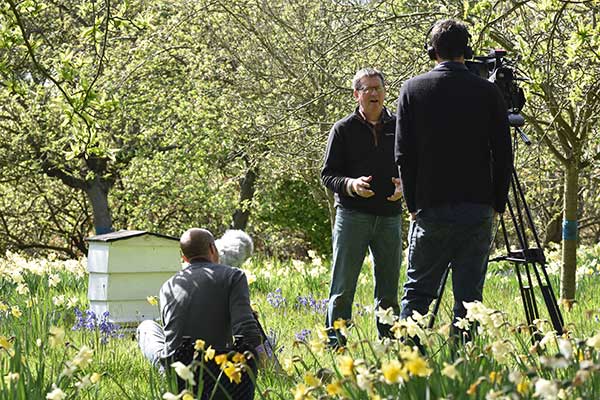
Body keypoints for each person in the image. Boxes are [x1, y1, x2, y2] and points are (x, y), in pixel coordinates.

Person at [395, 19, 512, 342]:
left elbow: (404, 154)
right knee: (469, 301)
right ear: (468, 50)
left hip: (431, 207)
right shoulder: (488, 91)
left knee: (417, 295)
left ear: (432, 51)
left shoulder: (412, 89)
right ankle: (464, 371)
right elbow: (504, 154)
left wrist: (413, 205)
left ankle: (408, 369)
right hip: (477, 207)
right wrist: (497, 203)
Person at [321, 68, 403, 347]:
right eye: (366, 89)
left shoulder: (400, 125)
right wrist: (351, 185)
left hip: (390, 217)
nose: (373, 94)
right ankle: (336, 344)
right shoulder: (343, 129)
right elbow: (327, 175)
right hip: (352, 216)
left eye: (378, 88)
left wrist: (405, 186)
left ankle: (390, 342)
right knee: (343, 288)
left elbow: (414, 165)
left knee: (389, 288)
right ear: (356, 95)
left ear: (384, 92)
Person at [137, 228, 262, 367]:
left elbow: (172, 332)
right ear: (213, 248)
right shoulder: (234, 276)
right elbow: (245, 329)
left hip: (176, 369)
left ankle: (164, 368)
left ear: (184, 258)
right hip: (219, 366)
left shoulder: (168, 286)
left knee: (146, 327)